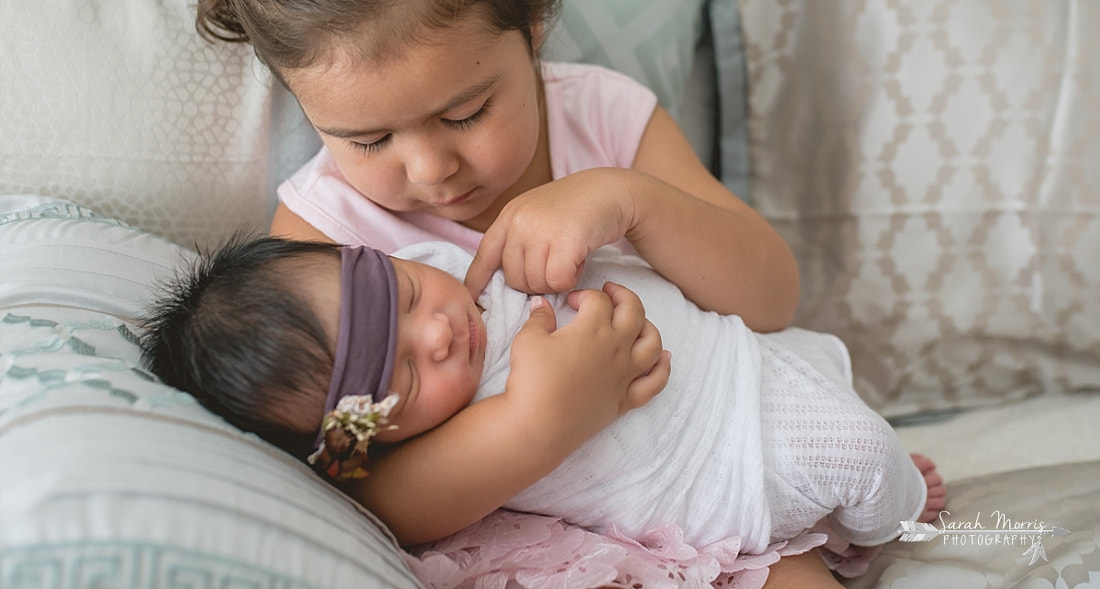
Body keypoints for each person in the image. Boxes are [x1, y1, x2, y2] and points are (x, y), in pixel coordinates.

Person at [179, 0, 835, 583]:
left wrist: (633, 202)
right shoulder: (321, 239)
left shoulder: (604, 121)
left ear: (532, 18)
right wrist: (533, 428)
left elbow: (773, 296)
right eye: (368, 139)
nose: (430, 170)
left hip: (712, 480)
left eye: (466, 113)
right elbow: (349, 475)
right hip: (526, 539)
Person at [140, 235, 946, 576]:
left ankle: (868, 500)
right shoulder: (415, 463)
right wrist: (552, 408)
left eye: (411, 292)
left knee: (843, 406)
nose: (438, 334)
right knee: (860, 455)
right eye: (406, 378)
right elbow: (399, 502)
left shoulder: (448, 265)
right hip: (728, 462)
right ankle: (876, 524)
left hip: (746, 354)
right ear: (361, 439)